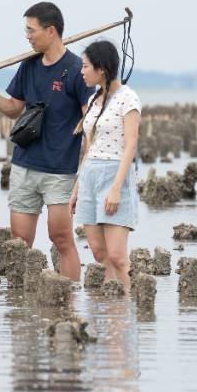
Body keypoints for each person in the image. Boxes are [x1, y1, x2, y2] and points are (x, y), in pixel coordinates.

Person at [0, 2, 94, 280]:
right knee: (19, 241)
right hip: (24, 165)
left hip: (60, 171)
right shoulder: (28, 65)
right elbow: (14, 108)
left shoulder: (76, 69)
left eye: (31, 30)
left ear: (51, 31)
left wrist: (86, 169)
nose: (27, 36)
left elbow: (90, 122)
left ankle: (68, 301)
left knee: (61, 239)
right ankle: (21, 307)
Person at [70, 40, 141, 287]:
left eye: (86, 66)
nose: (82, 71)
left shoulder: (128, 98)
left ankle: (128, 313)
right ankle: (113, 313)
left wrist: (115, 188)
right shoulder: (93, 100)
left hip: (115, 175)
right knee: (100, 254)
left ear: (101, 68)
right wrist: (77, 188)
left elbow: (131, 145)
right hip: (90, 176)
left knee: (118, 257)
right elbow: (89, 148)